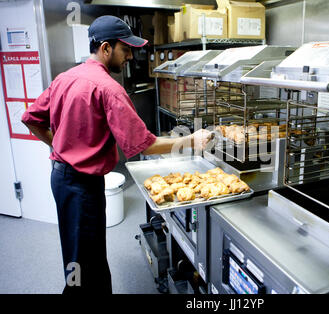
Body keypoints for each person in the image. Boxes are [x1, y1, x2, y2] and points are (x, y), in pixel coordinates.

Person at [21, 15, 211, 294]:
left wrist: (59, 146)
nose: (130, 57)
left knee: (87, 255)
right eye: (126, 49)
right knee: (81, 264)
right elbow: (143, 144)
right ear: (106, 48)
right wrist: (191, 141)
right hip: (81, 185)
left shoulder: (65, 78)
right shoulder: (109, 88)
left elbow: (31, 118)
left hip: (63, 179)